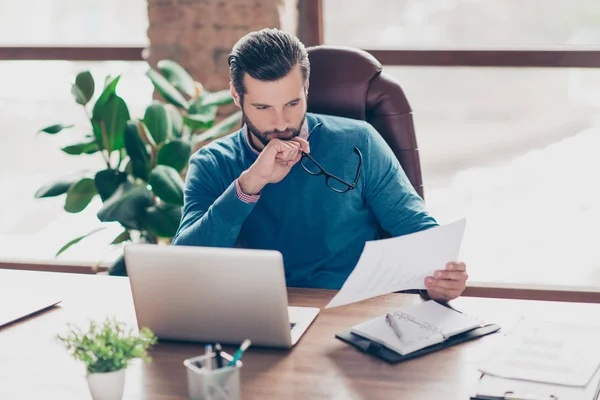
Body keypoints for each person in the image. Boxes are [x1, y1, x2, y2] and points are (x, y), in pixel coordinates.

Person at [172, 28, 468, 301]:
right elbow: (184, 267)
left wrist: (445, 277)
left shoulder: (359, 141)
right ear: (237, 96)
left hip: (350, 310)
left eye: (292, 103)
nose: (281, 123)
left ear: (306, 89)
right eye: (263, 107)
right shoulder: (211, 163)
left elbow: (419, 231)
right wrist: (249, 185)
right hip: (262, 314)